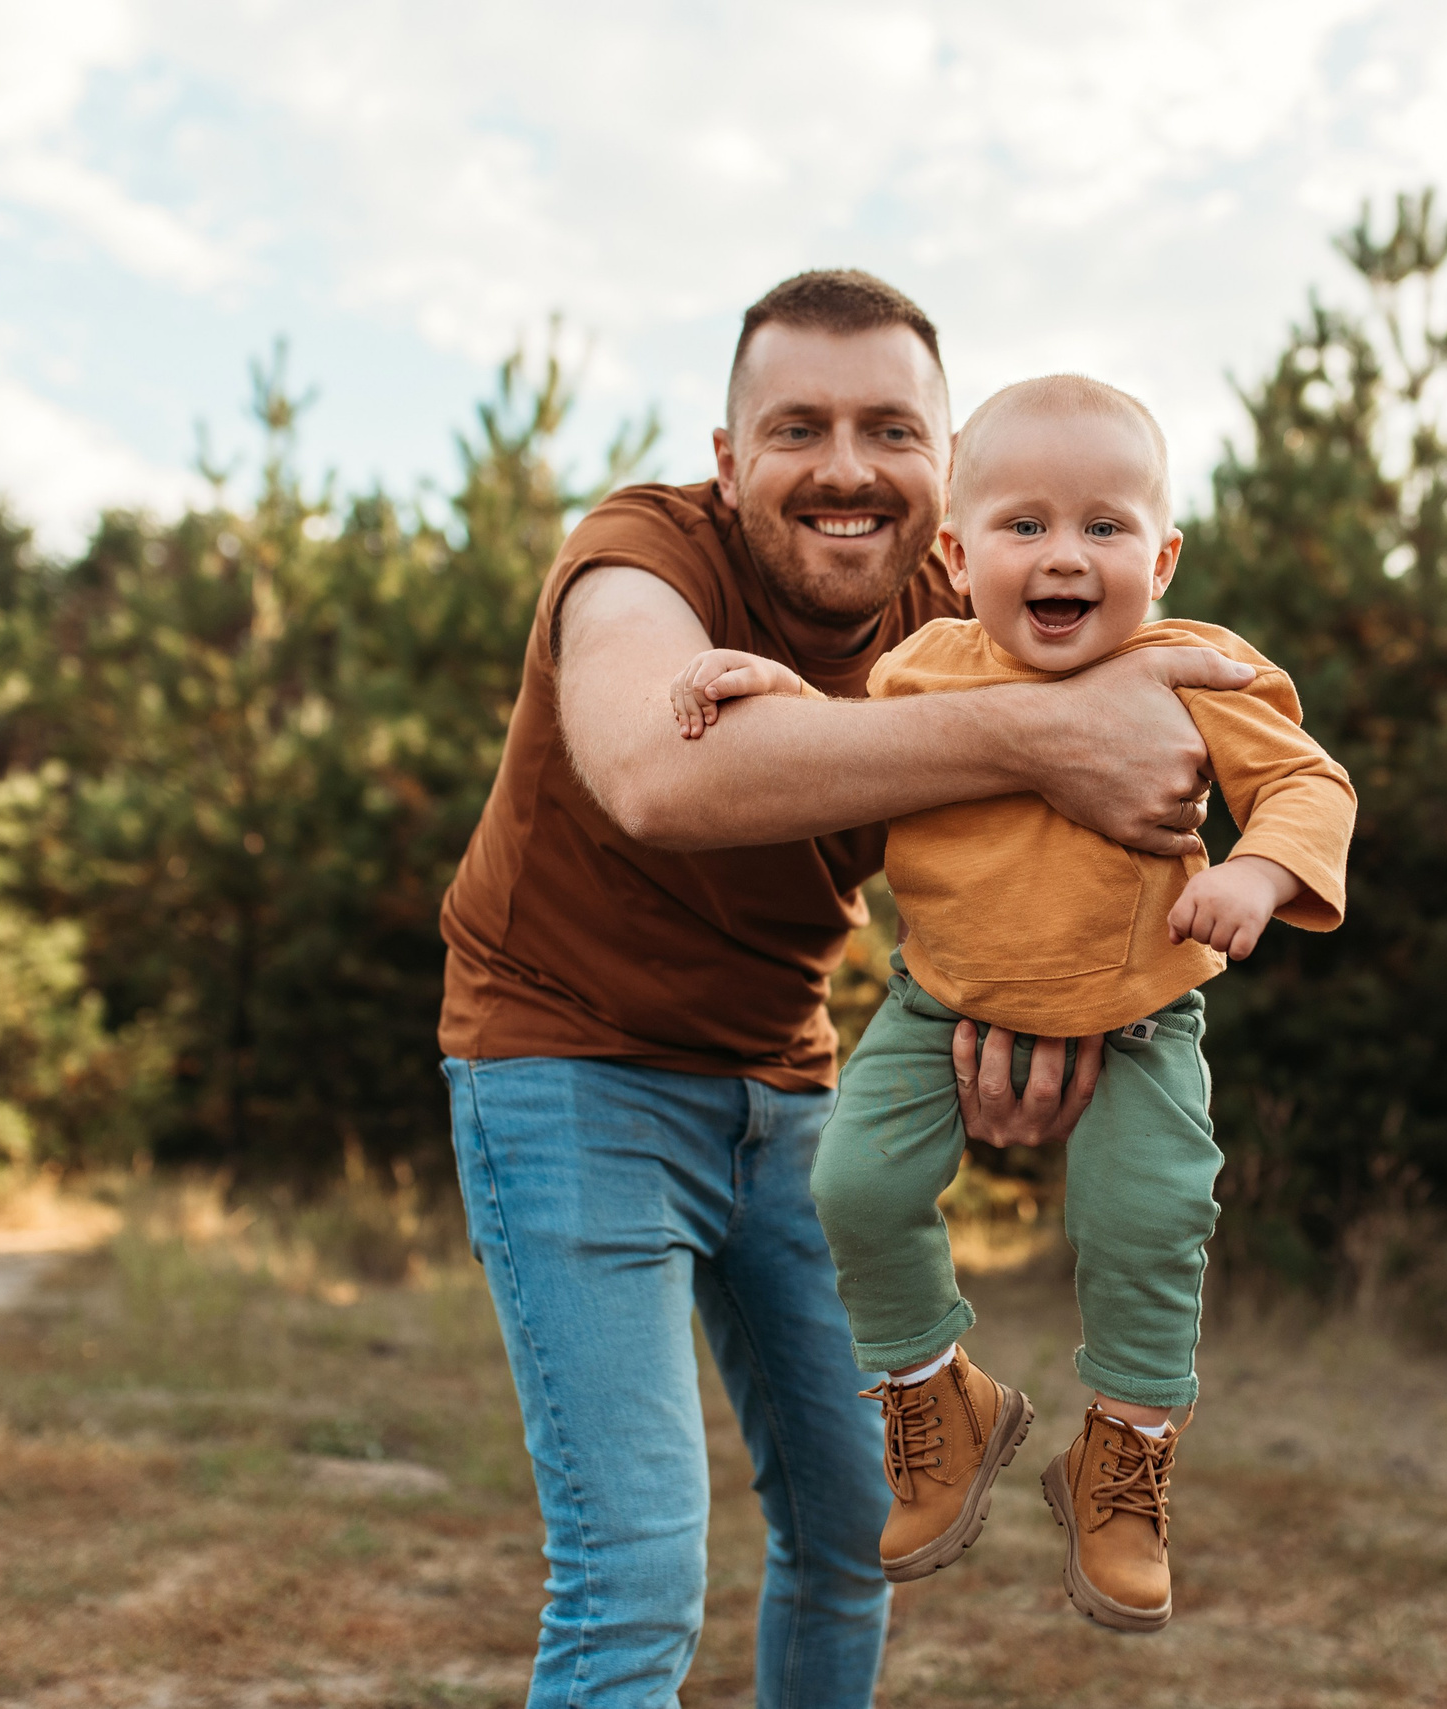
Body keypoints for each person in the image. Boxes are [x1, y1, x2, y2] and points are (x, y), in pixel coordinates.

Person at [438, 274, 1258, 1709]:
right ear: (727, 458)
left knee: (854, 1534)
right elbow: (656, 774)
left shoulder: (976, 604)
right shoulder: (641, 556)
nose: (844, 468)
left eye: (889, 429)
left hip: (789, 1081)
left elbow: (1064, 845)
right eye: (796, 428)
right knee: (633, 1575)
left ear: (944, 472)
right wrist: (1040, 736)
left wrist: (1037, 1030)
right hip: (566, 1065)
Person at [666, 375, 1356, 1634]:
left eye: (1104, 526)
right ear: (955, 553)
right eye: (1024, 524)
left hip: (1139, 1014)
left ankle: (1122, 1457)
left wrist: (1258, 869)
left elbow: (1311, 785)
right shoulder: (925, 666)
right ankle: (937, 1394)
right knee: (851, 1186)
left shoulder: (1192, 667)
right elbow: (849, 752)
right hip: (937, 1005)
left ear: (1162, 557)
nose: (1064, 555)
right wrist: (771, 691)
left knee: (1150, 1212)